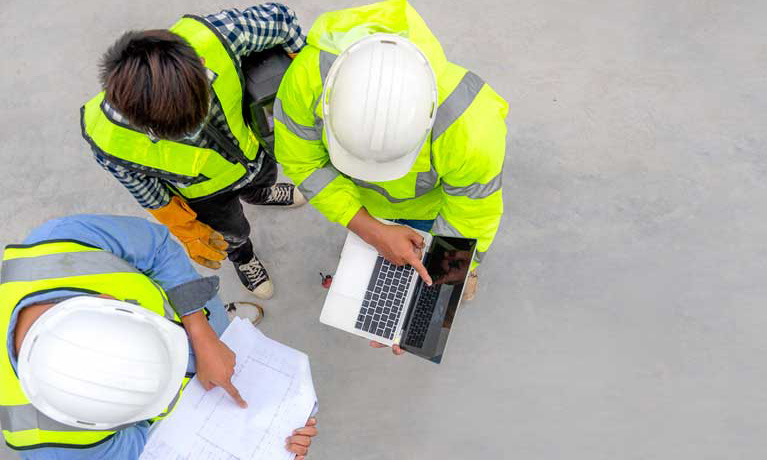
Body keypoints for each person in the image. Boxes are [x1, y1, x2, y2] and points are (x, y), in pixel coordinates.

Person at [273, 0, 509, 353]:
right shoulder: (308, 79)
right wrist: (369, 229)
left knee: (441, 269)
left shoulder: (470, 128)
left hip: (430, 210)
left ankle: (461, 278)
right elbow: (303, 163)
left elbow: (470, 219)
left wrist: (433, 300)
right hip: (363, 206)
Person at [0, 215, 318, 459]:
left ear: (107, 300)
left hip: (200, 323)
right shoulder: (53, 448)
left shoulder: (59, 243)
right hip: (203, 408)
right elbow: (159, 450)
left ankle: (225, 323)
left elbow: (157, 249)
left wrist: (202, 331)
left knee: (215, 325)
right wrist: (268, 441)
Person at [81, 4, 309, 299]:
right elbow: (149, 192)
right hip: (207, 195)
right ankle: (243, 257)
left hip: (254, 152)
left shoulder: (218, 37)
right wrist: (187, 228)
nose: (195, 130)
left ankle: (260, 194)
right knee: (232, 232)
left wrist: (306, 77)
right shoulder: (109, 141)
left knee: (264, 178)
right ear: (137, 119)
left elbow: (281, 20)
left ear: (200, 63)